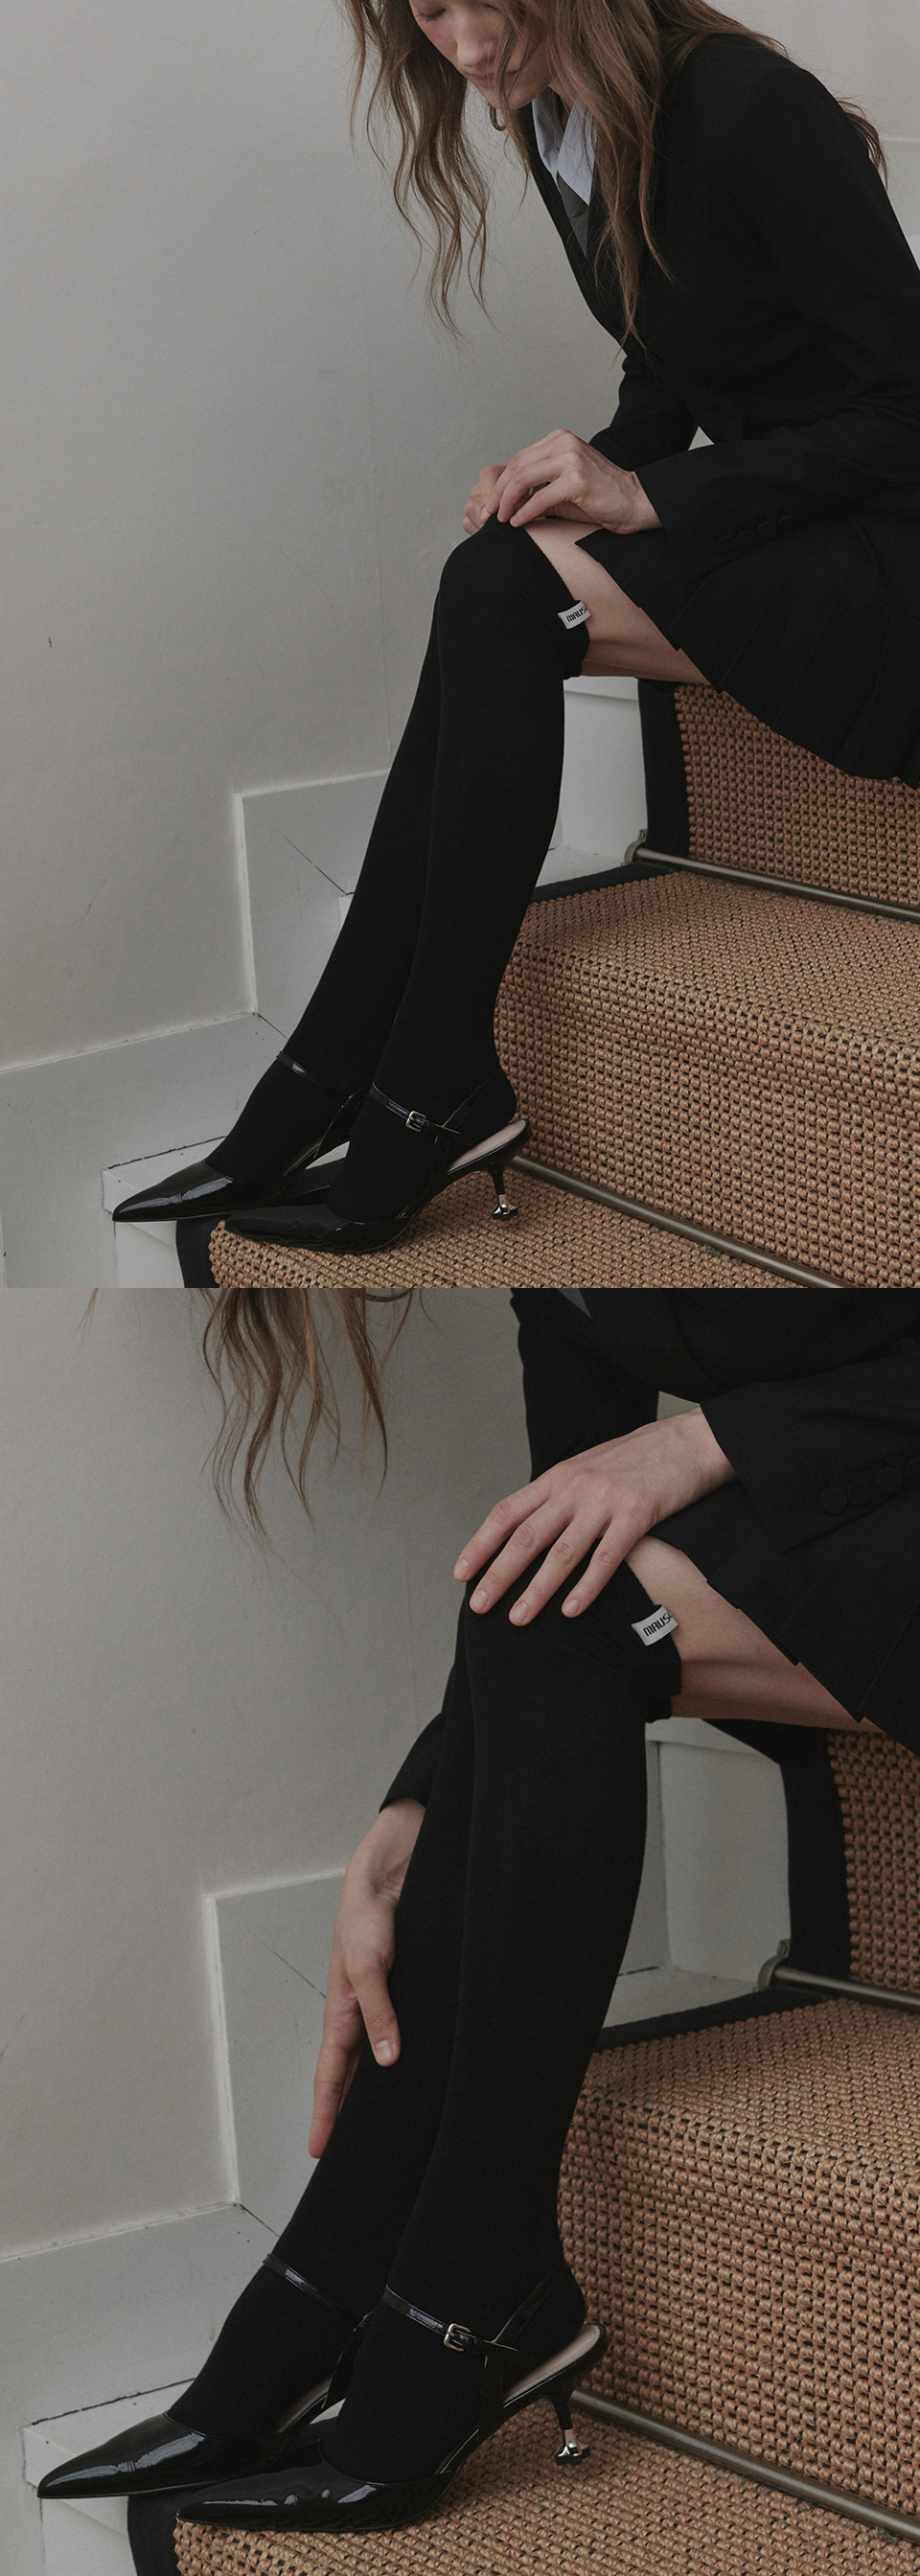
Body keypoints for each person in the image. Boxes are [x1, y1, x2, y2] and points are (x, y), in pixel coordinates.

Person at [40, 1285, 920, 2559]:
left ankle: (425, 2287)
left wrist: (700, 1442)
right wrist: (423, 1800)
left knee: (573, 1609)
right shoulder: (570, 1255)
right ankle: (345, 2288)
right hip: (868, 1491)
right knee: (550, 1596)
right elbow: (557, 1532)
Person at [112, 0, 920, 1260]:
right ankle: (360, 1077)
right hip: (790, 524)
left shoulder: (751, 104)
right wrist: (584, 470)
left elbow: (909, 410)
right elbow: (672, 360)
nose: (469, 42)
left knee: (498, 592)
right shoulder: (559, 121)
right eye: (431, 9)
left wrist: (652, 496)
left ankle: (384, 1079)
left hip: (889, 548)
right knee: (497, 570)